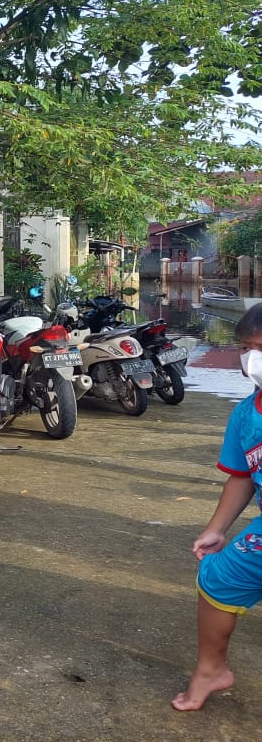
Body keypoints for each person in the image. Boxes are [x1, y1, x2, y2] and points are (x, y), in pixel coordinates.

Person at [172, 304, 262, 711]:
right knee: (218, 578)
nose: (252, 358)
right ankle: (211, 670)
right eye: (246, 348)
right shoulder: (246, 415)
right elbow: (242, 476)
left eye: (261, 348)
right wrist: (216, 528)